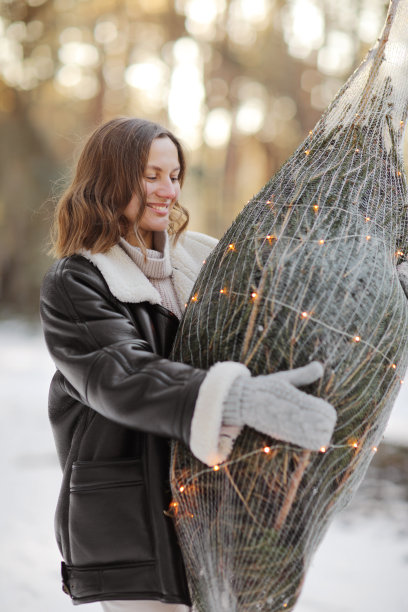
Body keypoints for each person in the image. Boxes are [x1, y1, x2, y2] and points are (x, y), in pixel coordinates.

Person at [39, 117, 337, 611]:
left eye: (174, 175)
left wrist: (381, 284)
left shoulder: (205, 261)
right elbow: (122, 376)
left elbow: (286, 302)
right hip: (132, 524)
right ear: (108, 178)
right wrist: (233, 398)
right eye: (150, 175)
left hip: (214, 513)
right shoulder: (77, 280)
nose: (167, 190)